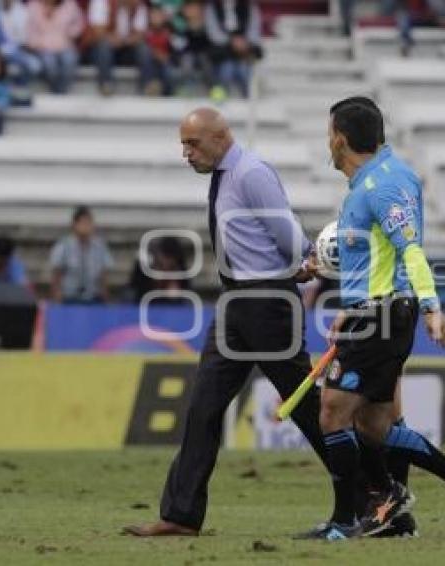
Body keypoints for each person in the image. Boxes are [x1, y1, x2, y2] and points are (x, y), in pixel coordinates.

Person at [123, 108, 330, 537]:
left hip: (267, 302)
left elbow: (285, 230)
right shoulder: (225, 174)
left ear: (220, 137)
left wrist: (304, 260)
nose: (186, 153)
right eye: (183, 143)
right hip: (236, 299)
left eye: (193, 143)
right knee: (203, 406)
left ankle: (371, 492)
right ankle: (180, 514)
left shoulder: (252, 173)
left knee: (307, 407)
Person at [302, 100, 445, 540]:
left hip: (384, 313)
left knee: (332, 413)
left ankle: (348, 518)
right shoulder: (379, 179)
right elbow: (379, 257)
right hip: (373, 312)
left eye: (328, 132)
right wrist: (349, 309)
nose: (327, 141)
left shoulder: (381, 185)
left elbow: (409, 249)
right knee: (374, 425)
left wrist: (432, 307)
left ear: (340, 138)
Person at [49, 206, 113, 304]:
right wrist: (57, 298)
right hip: (69, 298)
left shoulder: (100, 247)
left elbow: (105, 274)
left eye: (89, 223)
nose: (87, 227)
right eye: (83, 223)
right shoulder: (64, 246)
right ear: (75, 224)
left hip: (93, 297)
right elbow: (56, 274)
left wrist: (105, 298)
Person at [86, 0, 152, 96]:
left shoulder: (138, 6)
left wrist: (125, 41)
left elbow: (140, 35)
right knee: (103, 46)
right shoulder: (101, 2)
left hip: (127, 47)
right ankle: (106, 85)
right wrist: (112, 39)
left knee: (144, 49)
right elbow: (98, 32)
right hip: (103, 48)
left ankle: (147, 86)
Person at [204, 0, 262, 99]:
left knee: (244, 70)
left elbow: (254, 29)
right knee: (226, 69)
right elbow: (213, 32)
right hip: (222, 52)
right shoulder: (212, 6)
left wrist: (245, 42)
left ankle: (247, 99)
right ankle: (222, 100)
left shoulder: (249, 5)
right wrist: (231, 41)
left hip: (244, 50)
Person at [25, 0, 84, 94]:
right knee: (49, 64)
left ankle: (63, 90)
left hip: (65, 44)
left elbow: (79, 23)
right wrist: (37, 43)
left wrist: (71, 33)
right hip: (43, 46)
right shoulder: (33, 6)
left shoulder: (69, 4)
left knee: (70, 60)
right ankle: (55, 91)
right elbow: (29, 30)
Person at [127, 235, 191, 303]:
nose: (167, 263)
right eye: (166, 258)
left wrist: (178, 291)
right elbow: (134, 285)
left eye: (170, 260)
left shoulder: (180, 265)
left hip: (168, 304)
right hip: (144, 298)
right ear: (159, 254)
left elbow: (186, 286)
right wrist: (153, 283)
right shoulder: (145, 262)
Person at [0, 0, 41, 97]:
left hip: (17, 48)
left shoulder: (21, 11)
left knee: (34, 65)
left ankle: (18, 87)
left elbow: (23, 37)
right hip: (0, 50)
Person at [143, 2, 174, 95]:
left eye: (158, 15)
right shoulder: (145, 31)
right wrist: (156, 54)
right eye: (153, 15)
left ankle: (168, 93)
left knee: (168, 68)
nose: (156, 18)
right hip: (151, 60)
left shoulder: (170, 31)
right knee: (149, 63)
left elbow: (175, 49)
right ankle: (150, 87)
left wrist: (166, 56)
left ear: (163, 17)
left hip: (166, 60)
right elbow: (143, 47)